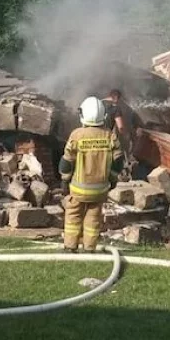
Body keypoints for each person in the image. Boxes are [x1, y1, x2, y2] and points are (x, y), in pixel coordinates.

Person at [59, 97, 123, 254]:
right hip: (100, 189)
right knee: (93, 219)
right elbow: (118, 161)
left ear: (82, 114)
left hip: (78, 189)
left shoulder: (77, 135)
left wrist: (64, 181)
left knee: (73, 216)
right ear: (104, 115)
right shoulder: (109, 136)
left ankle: (70, 246)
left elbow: (66, 162)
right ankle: (89, 248)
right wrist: (113, 179)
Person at [103, 89, 138, 163]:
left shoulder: (97, 103)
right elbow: (121, 127)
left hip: (92, 135)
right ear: (116, 97)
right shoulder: (115, 108)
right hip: (105, 137)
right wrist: (127, 137)